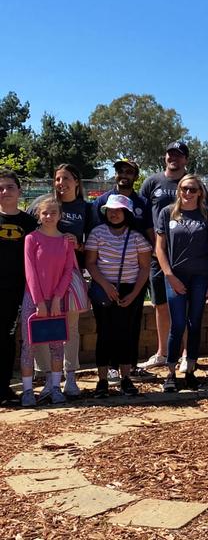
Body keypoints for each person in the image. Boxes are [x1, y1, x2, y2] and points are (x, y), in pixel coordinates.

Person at [27, 163, 93, 399]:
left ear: (76, 181)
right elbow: (30, 235)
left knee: (70, 329)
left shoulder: (86, 208)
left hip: (71, 275)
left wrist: (78, 243)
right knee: (43, 326)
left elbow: (92, 242)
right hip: (44, 276)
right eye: (57, 179)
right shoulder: (42, 204)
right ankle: (47, 378)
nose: (61, 183)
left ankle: (71, 377)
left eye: (66, 178)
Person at [155, 174, 208, 392]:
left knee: (195, 323)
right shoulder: (167, 213)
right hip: (175, 276)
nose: (187, 193)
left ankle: (190, 370)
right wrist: (169, 275)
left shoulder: (207, 216)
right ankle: (171, 372)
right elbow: (159, 248)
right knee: (178, 323)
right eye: (184, 189)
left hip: (200, 276)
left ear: (200, 192)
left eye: (192, 189)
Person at [93, 158, 154, 385]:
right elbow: (94, 235)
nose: (124, 174)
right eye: (120, 170)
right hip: (106, 276)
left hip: (134, 274)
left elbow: (149, 232)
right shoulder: (101, 201)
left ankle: (130, 367)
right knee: (106, 325)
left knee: (131, 322)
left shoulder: (142, 203)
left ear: (136, 176)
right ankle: (109, 367)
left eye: (129, 171)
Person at [84, 194, 152, 398]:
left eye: (118, 210)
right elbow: (90, 263)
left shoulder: (137, 237)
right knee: (104, 333)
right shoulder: (97, 233)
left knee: (125, 334)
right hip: (103, 289)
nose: (114, 214)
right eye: (110, 210)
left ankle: (125, 378)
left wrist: (134, 294)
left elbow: (144, 267)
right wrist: (105, 285)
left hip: (129, 289)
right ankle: (102, 380)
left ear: (127, 213)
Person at [139, 141, 192, 371]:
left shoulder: (191, 184)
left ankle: (186, 352)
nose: (174, 158)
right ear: (165, 157)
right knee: (160, 304)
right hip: (156, 255)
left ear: (185, 160)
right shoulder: (152, 182)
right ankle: (162, 352)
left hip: (184, 257)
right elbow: (140, 215)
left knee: (185, 304)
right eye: (171, 154)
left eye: (179, 155)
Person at [20, 197, 76, 407]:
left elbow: (68, 271)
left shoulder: (65, 241)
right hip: (33, 299)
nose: (49, 216)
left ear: (60, 215)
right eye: (45, 213)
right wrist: (39, 302)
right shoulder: (31, 239)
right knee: (29, 345)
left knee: (57, 345)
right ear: (38, 215)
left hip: (57, 299)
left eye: (53, 212)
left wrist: (57, 298)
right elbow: (30, 272)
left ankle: (55, 387)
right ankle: (27, 391)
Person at [0, 170, 37, 405]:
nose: (4, 192)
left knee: (7, 340)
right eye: (0, 188)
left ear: (19, 191)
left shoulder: (29, 223)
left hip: (15, 291)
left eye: (9, 187)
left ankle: (3, 389)